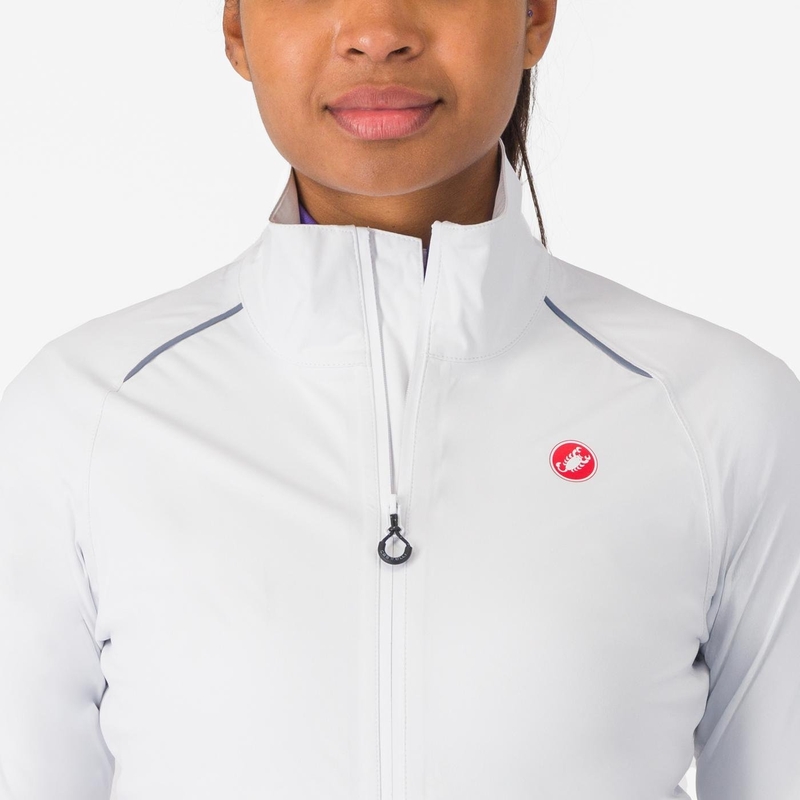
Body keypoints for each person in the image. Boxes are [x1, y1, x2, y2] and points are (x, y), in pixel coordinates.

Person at [1, 1, 798, 798]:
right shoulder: (81, 420)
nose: (377, 32)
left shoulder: (715, 413)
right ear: (238, 29)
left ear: (534, 17)